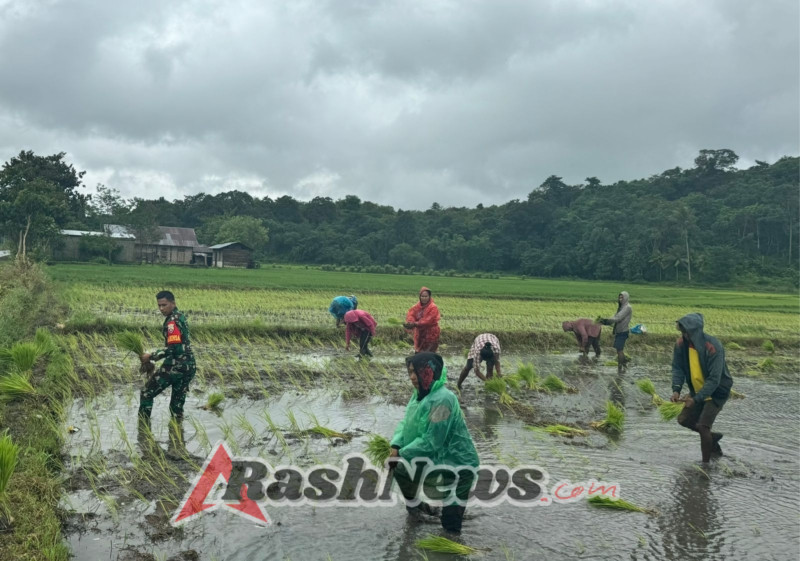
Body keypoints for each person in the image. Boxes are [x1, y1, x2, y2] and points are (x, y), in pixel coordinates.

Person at [390, 353, 479, 534]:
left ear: (431, 372)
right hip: (436, 460)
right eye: (410, 372)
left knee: (450, 524)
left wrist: (401, 454)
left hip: (458, 464)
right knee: (401, 471)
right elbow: (406, 422)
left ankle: (453, 546)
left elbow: (432, 442)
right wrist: (396, 445)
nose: (413, 377)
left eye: (418, 372)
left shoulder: (443, 400)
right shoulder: (420, 394)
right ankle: (417, 512)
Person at [671, 313, 733, 464]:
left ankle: (705, 466)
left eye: (687, 332)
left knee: (702, 426)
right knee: (683, 419)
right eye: (682, 332)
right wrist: (676, 389)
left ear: (695, 332)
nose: (684, 335)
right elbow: (677, 368)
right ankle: (712, 437)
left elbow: (714, 380)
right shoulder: (681, 345)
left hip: (717, 390)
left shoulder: (712, 347)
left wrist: (696, 399)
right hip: (697, 389)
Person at [139, 291, 196, 428]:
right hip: (189, 366)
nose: (161, 309)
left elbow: (173, 348)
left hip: (176, 366)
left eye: (164, 305)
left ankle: (142, 429)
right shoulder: (180, 316)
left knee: (147, 393)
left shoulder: (172, 322)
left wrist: (151, 356)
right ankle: (177, 439)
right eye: (159, 305)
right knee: (176, 407)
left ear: (173, 303)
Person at [597, 291, 632, 371]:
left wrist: (606, 321)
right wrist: (606, 321)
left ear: (626, 298)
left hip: (623, 331)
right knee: (619, 350)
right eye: (619, 297)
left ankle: (620, 368)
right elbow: (615, 316)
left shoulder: (627, 307)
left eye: (622, 297)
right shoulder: (621, 307)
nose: (620, 299)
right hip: (619, 331)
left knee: (619, 350)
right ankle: (624, 366)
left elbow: (618, 318)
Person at [404, 287, 441, 352]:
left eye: (426, 296)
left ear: (429, 297)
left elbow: (427, 320)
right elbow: (411, 314)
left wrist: (415, 324)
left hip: (431, 334)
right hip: (420, 334)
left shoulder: (433, 307)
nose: (424, 298)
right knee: (418, 352)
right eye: (422, 296)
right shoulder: (416, 307)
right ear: (419, 297)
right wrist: (410, 322)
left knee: (429, 354)